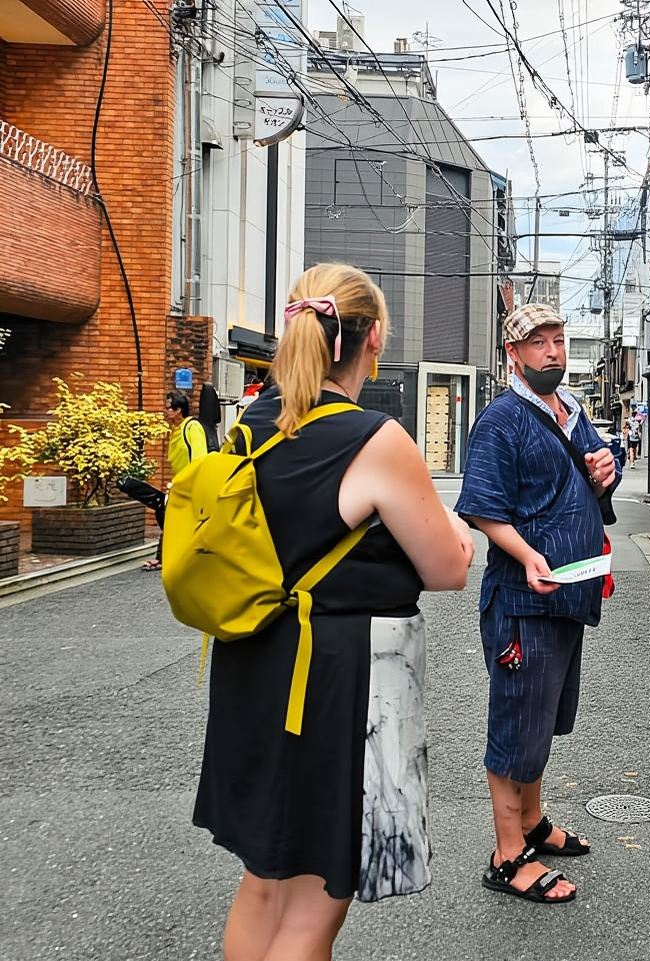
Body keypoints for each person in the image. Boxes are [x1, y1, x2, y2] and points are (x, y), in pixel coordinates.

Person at [192, 263, 474, 960]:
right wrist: (460, 534)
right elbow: (448, 566)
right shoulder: (375, 440)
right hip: (329, 684)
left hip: (251, 660)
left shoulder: (248, 425)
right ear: (373, 336)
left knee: (263, 880)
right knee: (317, 899)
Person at [456, 302, 618, 905]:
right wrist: (526, 554)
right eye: (539, 342)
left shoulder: (572, 412)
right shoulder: (501, 419)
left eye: (559, 339)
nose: (553, 350)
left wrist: (606, 467)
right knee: (517, 721)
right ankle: (506, 854)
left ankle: (533, 820)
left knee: (545, 719)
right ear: (514, 354)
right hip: (523, 598)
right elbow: (481, 505)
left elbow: (604, 471)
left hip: (568, 592)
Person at [118, 390, 210, 570]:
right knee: (165, 514)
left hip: (190, 485)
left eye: (168, 408)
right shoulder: (177, 430)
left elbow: (200, 458)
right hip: (181, 485)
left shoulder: (192, 427)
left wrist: (188, 484)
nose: (165, 411)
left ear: (178, 410)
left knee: (167, 514)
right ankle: (166, 557)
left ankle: (168, 558)